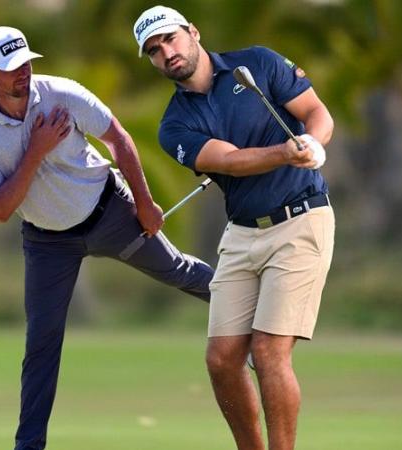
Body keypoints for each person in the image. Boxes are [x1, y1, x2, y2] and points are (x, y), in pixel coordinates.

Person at [0, 26, 213, 450]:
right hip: (47, 242)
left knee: (179, 272)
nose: (22, 73)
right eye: (10, 68)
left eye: (25, 63)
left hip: (109, 211)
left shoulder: (63, 94)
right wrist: (37, 149)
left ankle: (259, 323)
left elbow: (119, 140)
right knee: (41, 343)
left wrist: (146, 205)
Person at [133, 6, 335, 450]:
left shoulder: (258, 64)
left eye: (170, 39)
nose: (166, 52)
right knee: (222, 360)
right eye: (154, 50)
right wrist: (286, 151)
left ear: (193, 32)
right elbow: (227, 161)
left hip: (300, 220)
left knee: (267, 353)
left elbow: (317, 112)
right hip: (242, 234)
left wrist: (313, 146)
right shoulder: (174, 125)